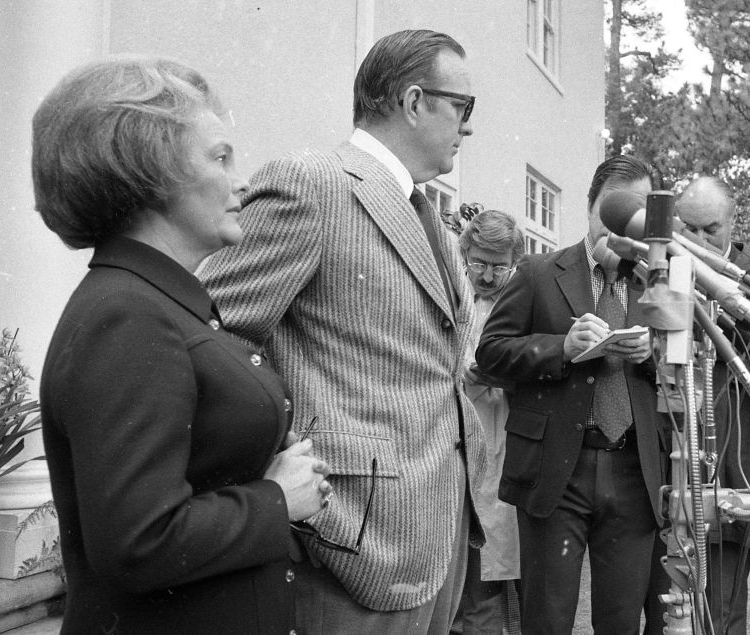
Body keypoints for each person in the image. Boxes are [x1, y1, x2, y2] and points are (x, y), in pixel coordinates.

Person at [199, 29, 485, 634]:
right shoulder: (315, 185)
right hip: (348, 539)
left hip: (435, 533)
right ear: (412, 101)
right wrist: (281, 469)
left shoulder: (425, 210)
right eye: (462, 107)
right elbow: (210, 336)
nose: (468, 126)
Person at [33, 57, 330, 634]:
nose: (241, 181)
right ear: (149, 171)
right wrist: (275, 499)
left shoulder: (154, 300)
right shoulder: (127, 314)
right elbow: (138, 542)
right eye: (220, 157)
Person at [475, 155, 669, 634]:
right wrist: (560, 347)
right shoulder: (540, 272)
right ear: (588, 207)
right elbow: (492, 352)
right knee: (547, 619)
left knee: (621, 621)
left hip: (634, 471)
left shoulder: (657, 282)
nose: (624, 222)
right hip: (556, 469)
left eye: (637, 211)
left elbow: (684, 374)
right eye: (613, 209)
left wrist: (650, 356)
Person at [643, 176, 750, 635]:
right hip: (662, 469)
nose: (700, 240)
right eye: (688, 228)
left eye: (711, 229)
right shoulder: (654, 267)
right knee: (666, 608)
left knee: (724, 612)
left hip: (731, 468)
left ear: (732, 220)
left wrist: (730, 306)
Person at [455, 209, 525, 634]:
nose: (486, 275)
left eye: (498, 267)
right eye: (478, 263)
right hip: (455, 438)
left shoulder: (523, 300)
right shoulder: (456, 295)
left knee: (492, 576)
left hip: (502, 441)